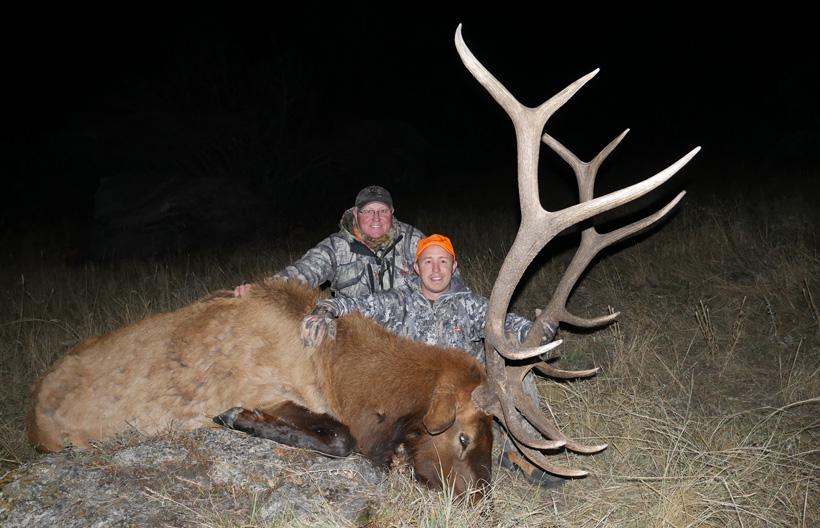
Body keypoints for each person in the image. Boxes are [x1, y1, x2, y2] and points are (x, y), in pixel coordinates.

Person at [301, 234, 565, 489]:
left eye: (443, 261)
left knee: (516, 368)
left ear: (454, 266)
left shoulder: (471, 305)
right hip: (420, 401)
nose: (436, 269)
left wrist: (539, 331)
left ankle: (522, 452)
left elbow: (511, 326)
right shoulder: (400, 300)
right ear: (417, 267)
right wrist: (329, 308)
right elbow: (359, 305)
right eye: (428, 261)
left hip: (462, 399)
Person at [235, 185, 430, 298]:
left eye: (383, 211)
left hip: (406, 331)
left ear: (392, 212)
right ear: (355, 213)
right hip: (356, 335)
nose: (376, 218)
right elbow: (304, 271)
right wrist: (262, 290)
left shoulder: (413, 241)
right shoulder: (337, 247)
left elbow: (446, 277)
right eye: (368, 211)